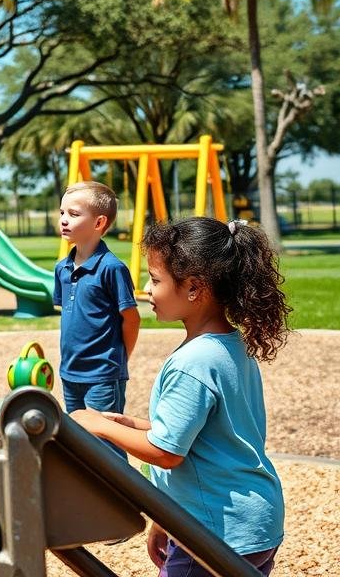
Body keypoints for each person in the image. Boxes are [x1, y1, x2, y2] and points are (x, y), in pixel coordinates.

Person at [72, 218, 290, 576]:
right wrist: (134, 426)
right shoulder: (230, 345)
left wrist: (98, 425)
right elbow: (207, 436)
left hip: (215, 531)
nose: (146, 289)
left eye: (155, 279)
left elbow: (167, 452)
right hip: (252, 523)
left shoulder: (193, 361)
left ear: (194, 288)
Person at [54, 181, 141, 457]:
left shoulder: (112, 268)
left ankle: (120, 498)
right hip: (70, 373)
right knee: (80, 443)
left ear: (99, 222)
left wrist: (120, 358)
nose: (64, 220)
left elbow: (132, 319)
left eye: (74, 214)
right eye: (62, 213)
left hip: (103, 375)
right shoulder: (62, 268)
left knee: (107, 444)